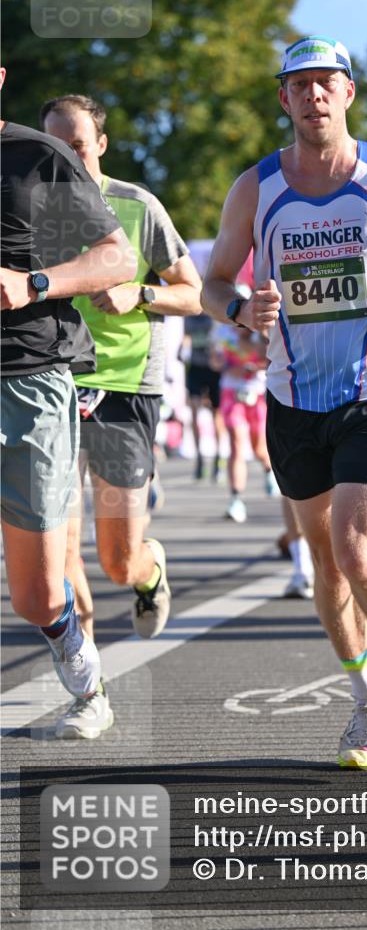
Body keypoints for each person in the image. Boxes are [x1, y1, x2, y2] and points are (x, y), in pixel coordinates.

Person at [202, 36, 367, 768]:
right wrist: (237, 313)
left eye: (328, 82)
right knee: (324, 562)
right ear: (283, 98)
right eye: (300, 84)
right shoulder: (255, 188)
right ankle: (356, 705)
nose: (315, 94)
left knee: (356, 548)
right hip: (290, 397)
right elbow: (215, 280)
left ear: (348, 93)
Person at [41, 94, 201, 739]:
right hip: (49, 384)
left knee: (116, 560)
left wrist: (141, 292)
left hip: (125, 390)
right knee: (59, 554)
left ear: (99, 146)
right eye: (54, 145)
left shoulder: (138, 206)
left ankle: (150, 569)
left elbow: (195, 294)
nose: (66, 157)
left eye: (77, 145)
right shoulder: (27, 205)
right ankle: (91, 693)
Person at [0, 67, 137, 707]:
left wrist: (34, 284)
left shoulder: (39, 156)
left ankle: (72, 645)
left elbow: (118, 257)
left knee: (37, 595)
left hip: (26, 378)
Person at [211, 322, 280, 523]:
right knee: (236, 444)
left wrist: (252, 366)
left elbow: (270, 359)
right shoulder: (222, 333)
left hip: (255, 394)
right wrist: (225, 365)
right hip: (231, 394)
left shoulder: (259, 334)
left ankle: (268, 470)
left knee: (258, 448)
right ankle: (236, 499)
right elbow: (214, 361)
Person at [179, 312, 226, 481]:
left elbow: (221, 340)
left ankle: (218, 458)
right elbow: (186, 336)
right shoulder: (189, 316)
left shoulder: (212, 314)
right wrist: (181, 350)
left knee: (216, 415)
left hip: (213, 370)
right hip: (195, 368)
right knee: (193, 412)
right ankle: (199, 457)